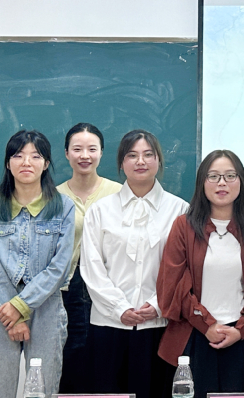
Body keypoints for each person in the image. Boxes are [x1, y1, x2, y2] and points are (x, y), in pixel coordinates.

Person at [80, 129, 188, 398]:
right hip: (108, 324)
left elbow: (185, 270)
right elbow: (92, 267)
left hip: (160, 325)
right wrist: (120, 307)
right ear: (121, 162)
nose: (141, 161)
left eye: (148, 155)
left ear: (159, 160)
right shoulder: (100, 210)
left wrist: (158, 305)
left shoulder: (180, 210)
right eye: (132, 155)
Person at [157, 149, 244, 396]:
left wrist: (240, 330)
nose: (222, 183)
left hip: (241, 338)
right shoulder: (183, 226)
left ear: (241, 181)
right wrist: (207, 325)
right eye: (214, 176)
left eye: (230, 176)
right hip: (194, 337)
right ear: (202, 182)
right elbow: (173, 285)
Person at [0, 130, 75, 398]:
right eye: (18, 156)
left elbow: (59, 268)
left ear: (46, 163)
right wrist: (12, 312)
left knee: (42, 389)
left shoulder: (64, 207)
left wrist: (22, 306)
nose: (26, 162)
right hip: (1, 309)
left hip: (46, 308)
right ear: (8, 163)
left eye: (36, 156)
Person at [56, 123, 123, 393]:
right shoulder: (54, 196)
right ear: (66, 153)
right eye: (77, 149)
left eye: (92, 149)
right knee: (71, 355)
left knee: (106, 354)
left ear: (101, 153)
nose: (85, 155)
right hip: (67, 289)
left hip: (110, 285)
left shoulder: (119, 193)